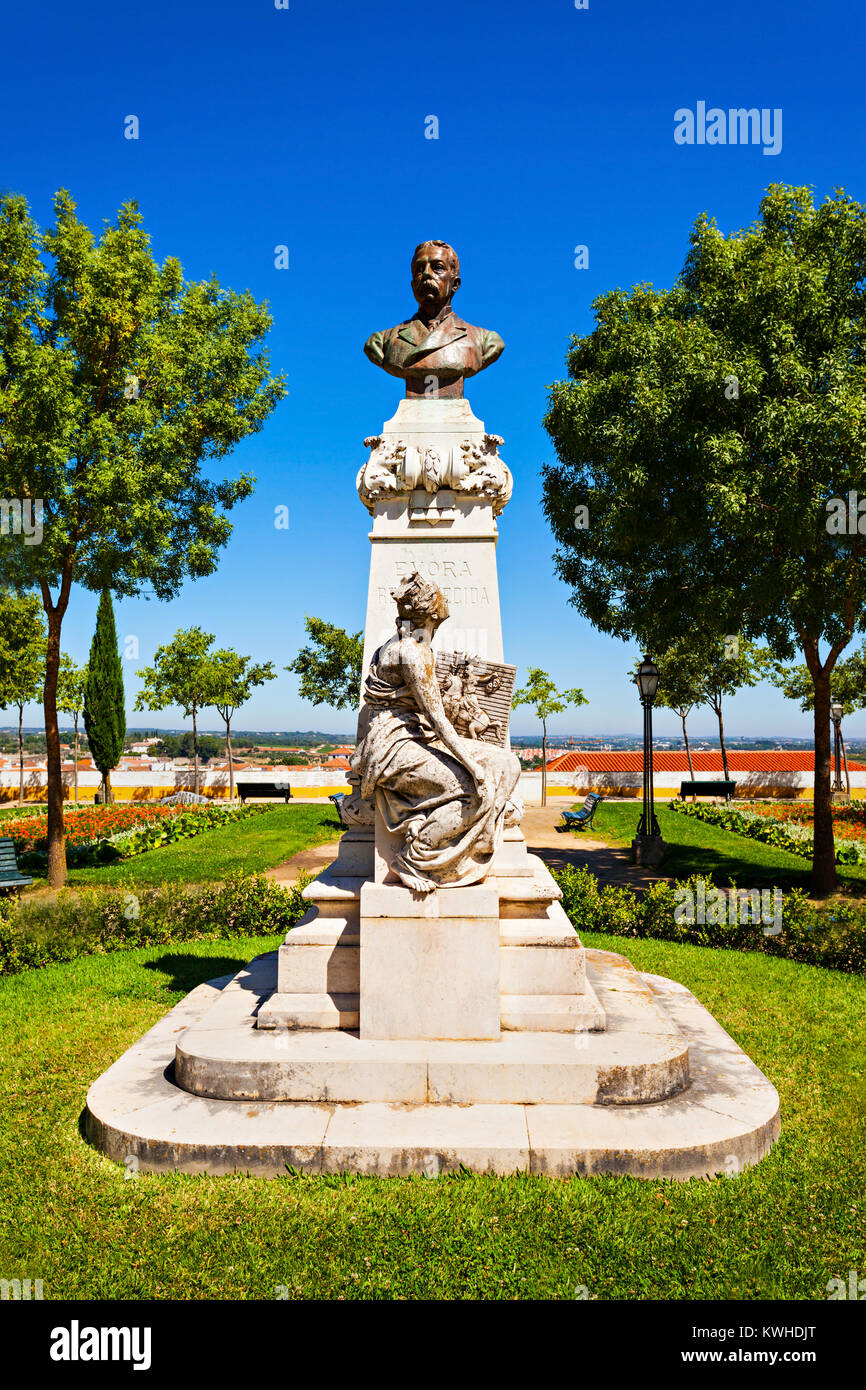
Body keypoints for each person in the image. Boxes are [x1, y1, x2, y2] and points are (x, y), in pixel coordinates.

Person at [350, 572, 521, 891]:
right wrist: (472, 766)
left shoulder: (408, 647)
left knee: (509, 764)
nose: (440, 625)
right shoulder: (410, 653)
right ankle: (415, 857)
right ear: (427, 616)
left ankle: (481, 837)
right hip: (394, 745)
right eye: (438, 619)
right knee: (472, 787)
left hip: (416, 735)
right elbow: (439, 721)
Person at [363, 240, 504, 398]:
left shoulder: (485, 341)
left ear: (455, 284)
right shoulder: (381, 341)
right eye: (419, 269)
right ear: (412, 286)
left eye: (437, 267)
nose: (426, 274)